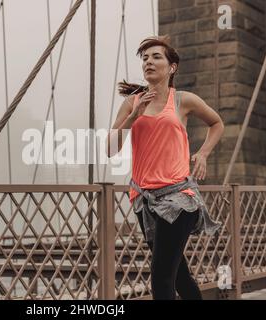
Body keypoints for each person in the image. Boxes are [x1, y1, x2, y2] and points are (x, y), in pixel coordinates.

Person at [107, 35, 224, 300]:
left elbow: (217, 123)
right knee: (178, 275)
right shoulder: (132, 103)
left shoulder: (183, 100)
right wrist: (133, 117)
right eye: (145, 58)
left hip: (178, 198)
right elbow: (110, 149)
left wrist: (203, 153)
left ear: (172, 67)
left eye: (156, 56)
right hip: (143, 199)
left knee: (161, 279)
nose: (148, 61)